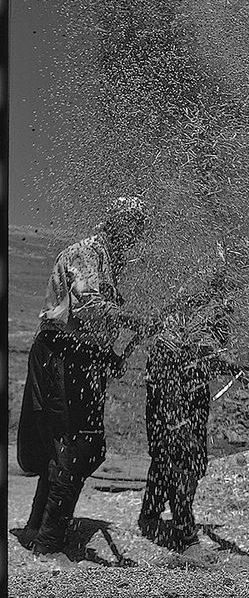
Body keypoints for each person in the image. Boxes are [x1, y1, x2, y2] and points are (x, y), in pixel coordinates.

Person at [16, 196, 160, 558]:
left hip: (80, 357)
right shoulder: (87, 254)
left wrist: (107, 354)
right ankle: (49, 545)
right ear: (116, 225)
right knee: (73, 446)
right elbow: (88, 307)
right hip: (59, 358)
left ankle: (39, 529)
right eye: (132, 229)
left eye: (138, 232)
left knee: (82, 447)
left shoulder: (109, 262)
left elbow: (91, 324)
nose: (135, 239)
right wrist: (135, 320)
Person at [138, 242, 249, 557]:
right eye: (240, 267)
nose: (241, 280)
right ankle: (185, 535)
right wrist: (232, 363)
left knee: (169, 449)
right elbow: (193, 345)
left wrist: (235, 368)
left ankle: (149, 515)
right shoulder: (206, 297)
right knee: (185, 454)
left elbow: (203, 349)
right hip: (174, 378)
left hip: (183, 378)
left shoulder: (212, 297)